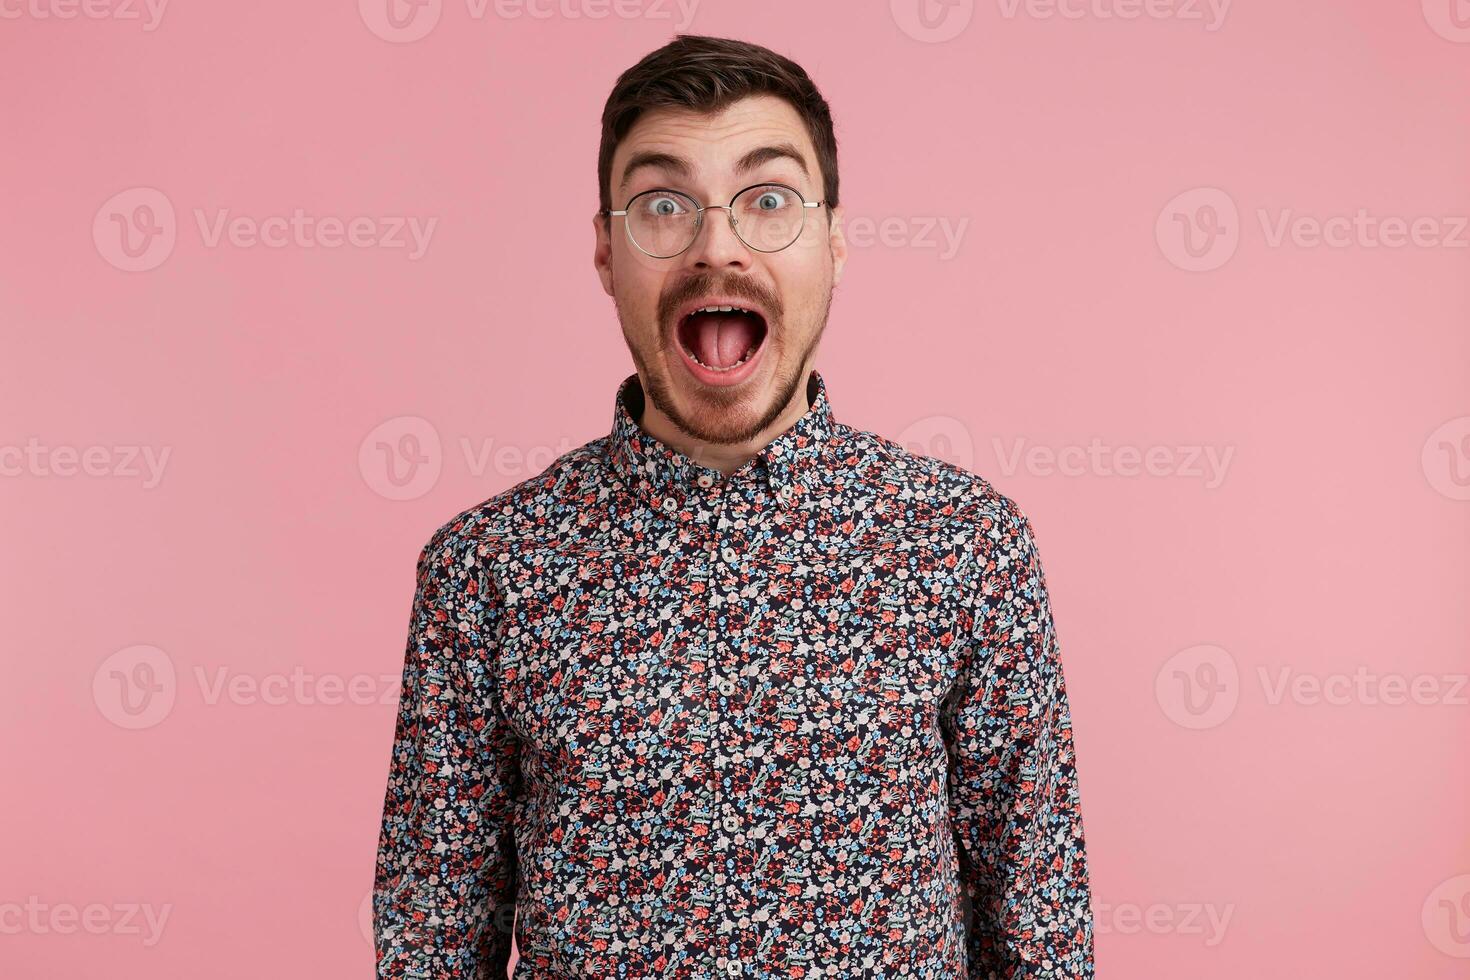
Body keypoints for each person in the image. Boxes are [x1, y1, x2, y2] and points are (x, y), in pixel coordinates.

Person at [373, 33, 1095, 979]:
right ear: (603, 248)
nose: (718, 246)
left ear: (834, 241)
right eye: (663, 205)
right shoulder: (485, 572)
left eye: (768, 200)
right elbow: (431, 947)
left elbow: (1041, 936)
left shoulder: (968, 548)